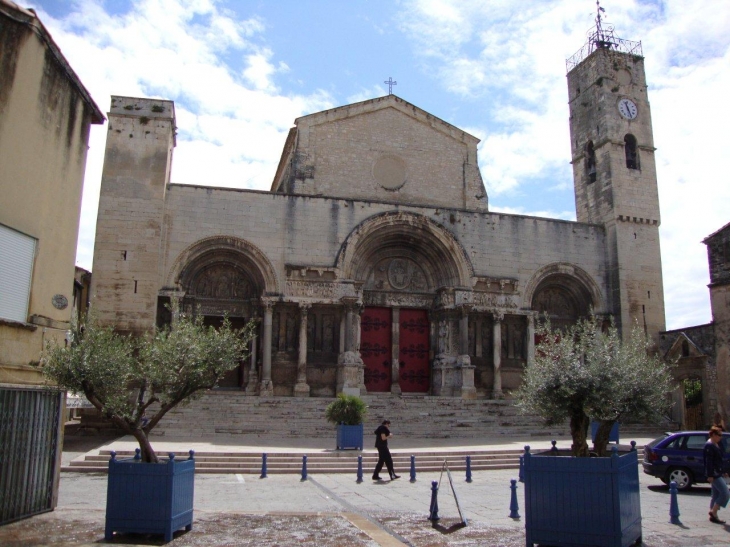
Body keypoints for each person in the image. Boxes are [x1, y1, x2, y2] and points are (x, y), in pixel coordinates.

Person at [703, 426, 730, 524]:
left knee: (715, 494)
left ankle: (714, 516)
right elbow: (709, 462)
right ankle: (713, 511)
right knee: (725, 493)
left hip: (718, 472)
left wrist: (723, 471)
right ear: (713, 435)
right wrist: (710, 475)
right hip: (714, 474)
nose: (720, 437)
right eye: (719, 435)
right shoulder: (709, 445)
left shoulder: (715, 444)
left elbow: (719, 461)